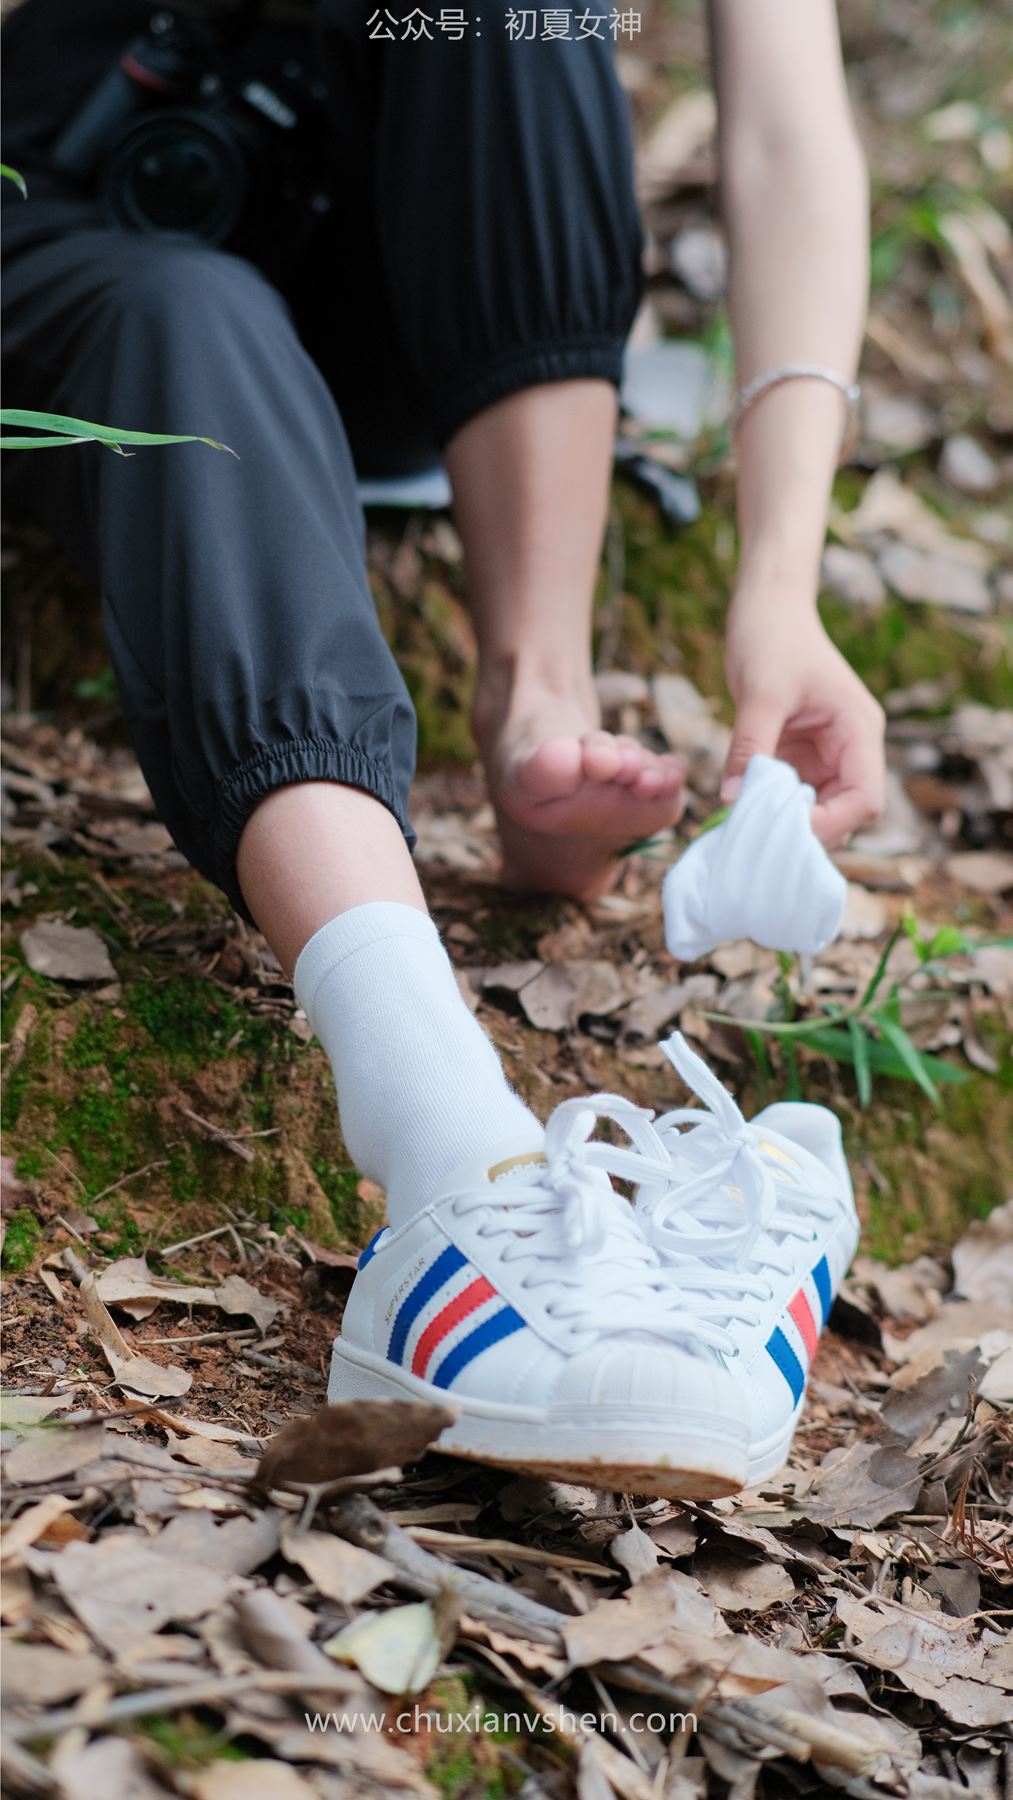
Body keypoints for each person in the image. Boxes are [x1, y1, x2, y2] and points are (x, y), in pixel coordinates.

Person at [2, 0, 882, 1494]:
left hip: (397, 271)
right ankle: (445, 1135)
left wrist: (777, 583)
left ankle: (538, 696)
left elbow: (787, 125)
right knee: (187, 316)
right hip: (69, 225)